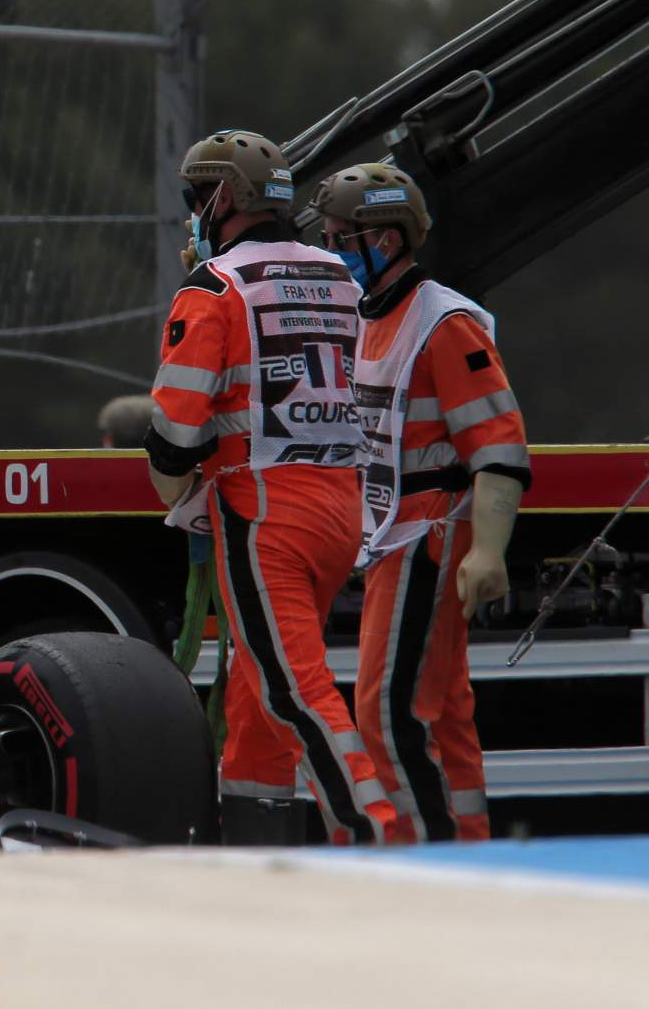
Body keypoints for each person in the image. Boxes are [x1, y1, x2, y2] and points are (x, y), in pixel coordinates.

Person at [145, 129, 398, 845]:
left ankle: (374, 836)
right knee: (261, 695)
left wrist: (175, 493)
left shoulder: (215, 287)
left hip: (263, 513)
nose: (195, 211)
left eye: (198, 197)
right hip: (340, 505)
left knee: (292, 689)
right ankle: (257, 844)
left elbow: (174, 432)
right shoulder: (343, 278)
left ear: (225, 196)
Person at [312, 163, 528, 843]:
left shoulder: (444, 323)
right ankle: (469, 843)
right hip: (396, 534)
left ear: (392, 238)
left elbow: (498, 440)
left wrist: (488, 548)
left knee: (387, 708)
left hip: (427, 534)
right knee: (443, 710)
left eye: (347, 236)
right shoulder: (369, 316)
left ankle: (425, 855)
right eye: (329, 236)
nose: (336, 250)